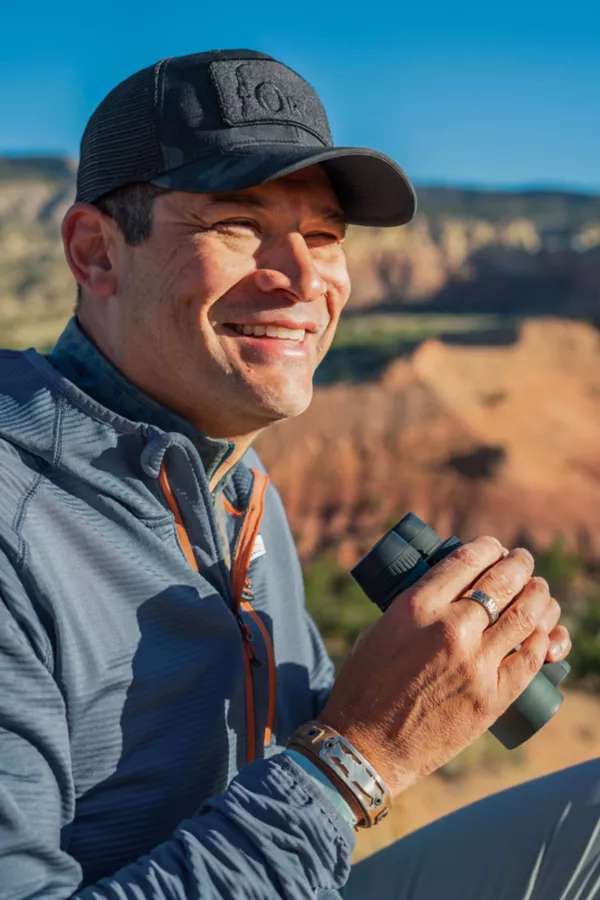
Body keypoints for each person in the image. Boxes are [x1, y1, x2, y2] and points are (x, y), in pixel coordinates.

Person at [0, 47, 595, 900]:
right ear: (96, 253)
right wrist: (361, 756)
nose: (306, 277)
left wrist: (450, 668)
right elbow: (337, 761)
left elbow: (280, 734)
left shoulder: (233, 484)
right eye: (237, 226)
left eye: (323, 235)